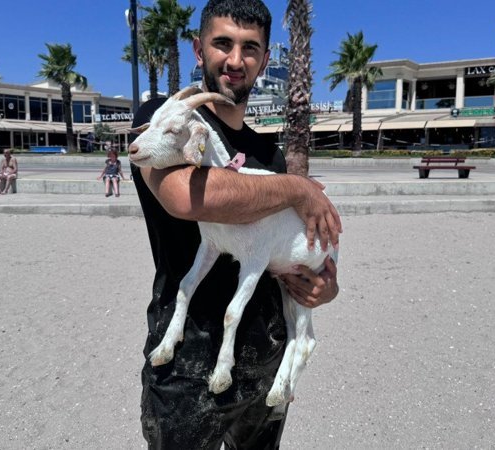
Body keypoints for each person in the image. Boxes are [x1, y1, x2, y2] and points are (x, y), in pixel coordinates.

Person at [130, 1, 341, 447]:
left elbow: (292, 246)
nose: (235, 59)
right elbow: (185, 197)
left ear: (265, 59)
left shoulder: (272, 154)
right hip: (185, 365)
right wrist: (297, 188)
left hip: (263, 357)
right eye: (222, 43)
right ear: (198, 48)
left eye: (250, 48)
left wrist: (324, 287)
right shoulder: (167, 116)